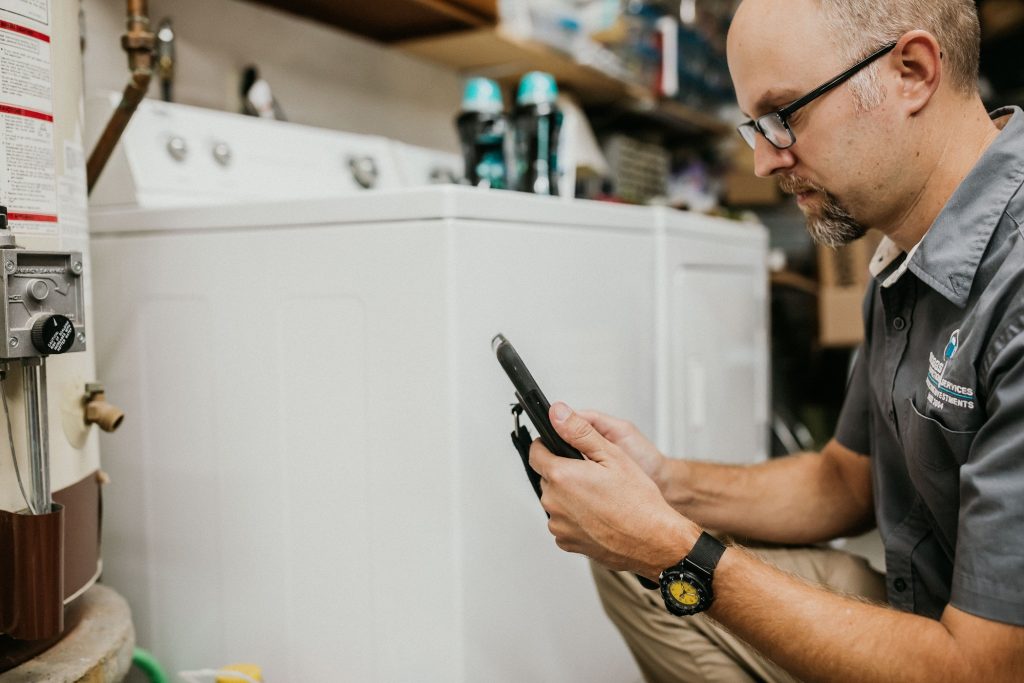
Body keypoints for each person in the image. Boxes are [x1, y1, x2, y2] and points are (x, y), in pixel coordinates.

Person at [527, 0, 1024, 680]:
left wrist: (677, 547)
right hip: (933, 612)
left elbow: (985, 668)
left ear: (912, 72)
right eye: (753, 126)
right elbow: (842, 477)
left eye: (783, 115)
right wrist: (664, 485)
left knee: (663, 558)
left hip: (977, 656)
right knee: (634, 566)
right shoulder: (906, 247)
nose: (761, 160)